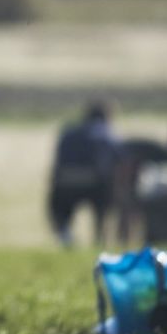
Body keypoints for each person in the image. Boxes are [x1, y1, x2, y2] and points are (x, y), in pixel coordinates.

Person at [48, 101, 120, 246]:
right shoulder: (104, 132)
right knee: (102, 205)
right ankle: (99, 238)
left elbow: (57, 163)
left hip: (66, 181)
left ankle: (65, 235)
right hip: (95, 184)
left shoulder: (68, 132)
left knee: (59, 208)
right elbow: (118, 157)